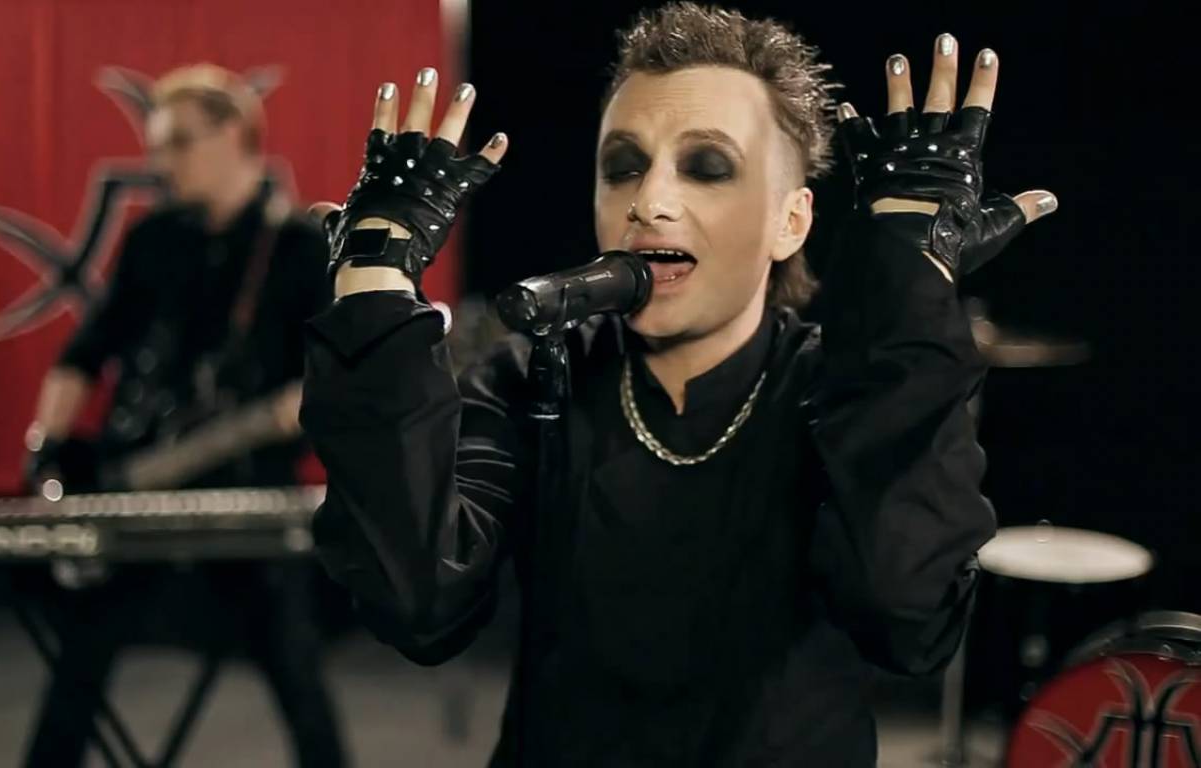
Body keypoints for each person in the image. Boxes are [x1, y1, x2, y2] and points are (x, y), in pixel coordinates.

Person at [301, 3, 1058, 765]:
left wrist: (909, 289)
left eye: (707, 167)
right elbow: (417, 604)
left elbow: (908, 620)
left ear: (791, 222)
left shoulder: (851, 388)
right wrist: (374, 278)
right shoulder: (532, 378)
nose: (649, 201)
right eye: (623, 166)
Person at [21, 64, 346, 767]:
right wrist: (44, 449)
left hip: (248, 501)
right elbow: (85, 354)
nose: (162, 163)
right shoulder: (154, 239)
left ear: (234, 134)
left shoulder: (300, 247)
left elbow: (334, 382)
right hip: (133, 487)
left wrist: (306, 408)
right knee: (76, 672)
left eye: (177, 143)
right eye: (157, 146)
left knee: (298, 675)